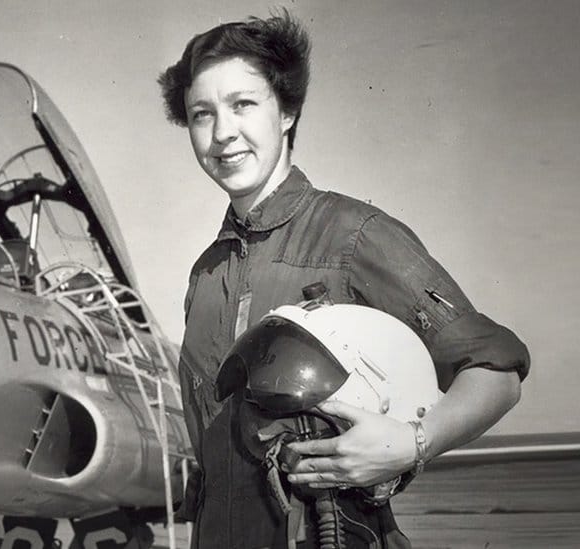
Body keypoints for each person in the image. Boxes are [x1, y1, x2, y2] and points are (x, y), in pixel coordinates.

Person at [159, 11, 529, 548]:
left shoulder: (355, 234)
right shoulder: (206, 273)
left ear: (286, 111)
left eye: (243, 104)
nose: (222, 133)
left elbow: (496, 373)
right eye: (201, 114)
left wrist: (411, 443)